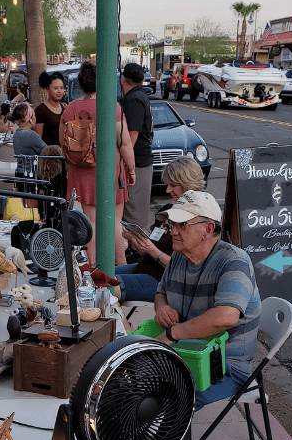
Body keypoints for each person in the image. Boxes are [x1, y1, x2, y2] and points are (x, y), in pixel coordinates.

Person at [154, 190, 261, 410]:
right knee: (135, 379)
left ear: (208, 229)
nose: (173, 231)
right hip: (186, 353)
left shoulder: (234, 261)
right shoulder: (179, 256)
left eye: (181, 225)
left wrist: (172, 334)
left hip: (226, 365)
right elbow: (160, 292)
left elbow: (226, 317)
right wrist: (162, 307)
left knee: (165, 399)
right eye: (172, 224)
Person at [59, 60, 135, 267]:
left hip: (82, 171)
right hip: (110, 169)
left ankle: (93, 267)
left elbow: (62, 143)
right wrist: (131, 169)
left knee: (90, 222)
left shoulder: (70, 109)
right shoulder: (112, 107)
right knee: (113, 222)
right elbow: (124, 142)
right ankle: (120, 265)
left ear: (81, 84)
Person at [116, 156, 205, 304]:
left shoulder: (197, 220)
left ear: (187, 184)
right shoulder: (167, 211)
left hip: (165, 281)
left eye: (173, 185)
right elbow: (147, 253)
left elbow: (188, 269)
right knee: (98, 275)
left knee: (105, 285)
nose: (167, 189)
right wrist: (136, 240)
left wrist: (153, 251)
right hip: (145, 269)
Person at [120, 62, 154, 233]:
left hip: (138, 162)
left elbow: (130, 136)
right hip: (143, 159)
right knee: (136, 215)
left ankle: (140, 254)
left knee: (134, 219)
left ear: (123, 79)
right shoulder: (141, 95)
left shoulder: (133, 99)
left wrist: (127, 163)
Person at [11, 102, 46, 199]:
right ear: (29, 118)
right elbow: (47, 151)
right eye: (33, 115)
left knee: (23, 203)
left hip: (20, 173)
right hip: (32, 175)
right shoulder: (31, 135)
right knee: (32, 204)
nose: (35, 118)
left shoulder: (16, 134)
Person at [35, 71, 66, 146]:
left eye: (61, 88)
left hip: (63, 154)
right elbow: (38, 139)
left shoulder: (64, 109)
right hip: (49, 155)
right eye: (55, 88)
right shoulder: (40, 110)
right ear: (47, 89)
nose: (59, 91)